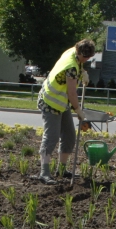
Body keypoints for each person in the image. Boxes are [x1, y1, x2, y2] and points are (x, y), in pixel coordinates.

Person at [36, 39, 96, 184]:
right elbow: (72, 93)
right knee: (52, 137)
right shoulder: (71, 67)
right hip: (50, 101)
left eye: (88, 58)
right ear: (79, 52)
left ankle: (61, 170)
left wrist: (83, 73)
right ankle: (44, 173)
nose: (86, 60)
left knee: (69, 136)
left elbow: (79, 65)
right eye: (85, 58)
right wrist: (78, 110)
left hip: (62, 103)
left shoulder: (73, 52)